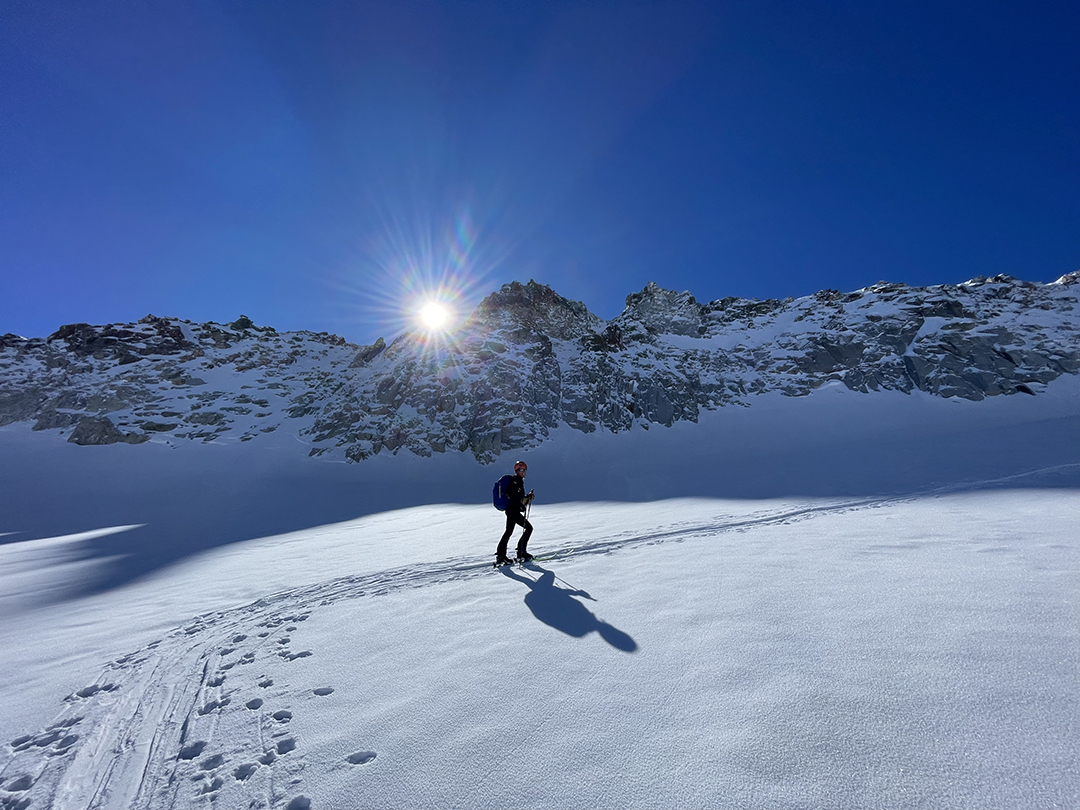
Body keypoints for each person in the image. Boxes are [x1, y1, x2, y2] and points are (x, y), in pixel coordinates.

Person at [495, 460, 535, 566]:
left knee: (509, 531)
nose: (523, 471)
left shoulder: (518, 481)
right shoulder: (515, 482)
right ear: (517, 471)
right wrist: (525, 499)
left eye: (525, 469)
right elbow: (515, 498)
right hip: (512, 510)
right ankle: (521, 552)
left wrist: (526, 498)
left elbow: (518, 499)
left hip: (512, 510)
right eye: (521, 469)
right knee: (528, 528)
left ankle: (501, 556)